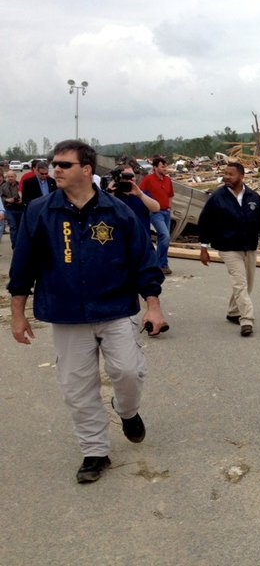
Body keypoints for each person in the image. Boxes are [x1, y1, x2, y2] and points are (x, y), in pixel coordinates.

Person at [7, 139, 166, 484]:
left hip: (116, 308)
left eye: (64, 164)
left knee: (127, 372)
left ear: (87, 169)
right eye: (54, 164)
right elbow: (22, 267)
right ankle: (95, 451)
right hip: (66, 313)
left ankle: (127, 412)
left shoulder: (118, 211)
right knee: (77, 387)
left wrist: (153, 305)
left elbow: (144, 261)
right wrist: (18, 314)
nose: (55, 170)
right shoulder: (40, 211)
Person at [198, 162, 260, 337]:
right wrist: (204, 247)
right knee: (239, 283)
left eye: (230, 174)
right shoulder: (217, 197)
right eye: (225, 173)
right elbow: (204, 221)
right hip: (228, 247)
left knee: (247, 284)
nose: (226, 177)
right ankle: (247, 319)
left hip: (249, 246)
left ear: (241, 177)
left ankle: (233, 311)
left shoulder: (253, 197)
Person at [139, 156, 174, 275]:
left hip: (166, 212)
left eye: (166, 166)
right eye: (162, 166)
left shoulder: (168, 180)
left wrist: (169, 208)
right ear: (155, 167)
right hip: (155, 212)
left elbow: (170, 195)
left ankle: (161, 263)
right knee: (165, 235)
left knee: (164, 238)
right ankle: (161, 264)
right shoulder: (148, 179)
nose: (165, 168)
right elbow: (140, 194)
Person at [106, 162, 160, 234]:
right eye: (126, 176)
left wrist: (140, 195)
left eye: (132, 176)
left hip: (141, 238)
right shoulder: (112, 195)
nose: (131, 179)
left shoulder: (142, 194)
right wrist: (110, 193)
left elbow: (156, 208)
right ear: (118, 179)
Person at [0, 169, 24, 248]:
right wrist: (7, 200)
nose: (10, 178)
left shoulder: (20, 185)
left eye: (12, 176)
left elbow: (26, 196)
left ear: (15, 176)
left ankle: (20, 245)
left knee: (20, 228)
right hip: (9, 209)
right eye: (8, 176)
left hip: (20, 209)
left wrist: (21, 200)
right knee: (13, 227)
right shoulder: (3, 186)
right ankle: (15, 246)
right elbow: (1, 197)